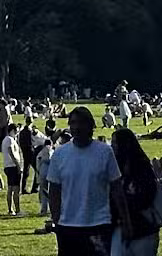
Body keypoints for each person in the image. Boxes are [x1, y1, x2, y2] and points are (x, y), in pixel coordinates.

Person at [43, 107, 119, 256]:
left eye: (81, 123)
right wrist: (57, 219)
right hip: (68, 226)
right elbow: (54, 191)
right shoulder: (60, 154)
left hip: (99, 225)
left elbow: (116, 188)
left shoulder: (105, 152)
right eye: (73, 123)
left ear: (90, 125)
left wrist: (122, 218)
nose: (77, 127)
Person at [110, 128, 160, 256]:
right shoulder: (114, 167)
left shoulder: (142, 168)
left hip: (143, 228)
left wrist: (124, 205)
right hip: (119, 226)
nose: (112, 146)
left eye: (115, 143)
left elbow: (146, 197)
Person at [0, 122, 23, 217]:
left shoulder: (5, 140)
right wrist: (18, 165)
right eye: (16, 131)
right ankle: (17, 210)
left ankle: (10, 209)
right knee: (16, 189)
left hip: (8, 166)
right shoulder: (9, 140)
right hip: (12, 166)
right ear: (12, 131)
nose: (17, 133)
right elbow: (11, 152)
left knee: (10, 189)